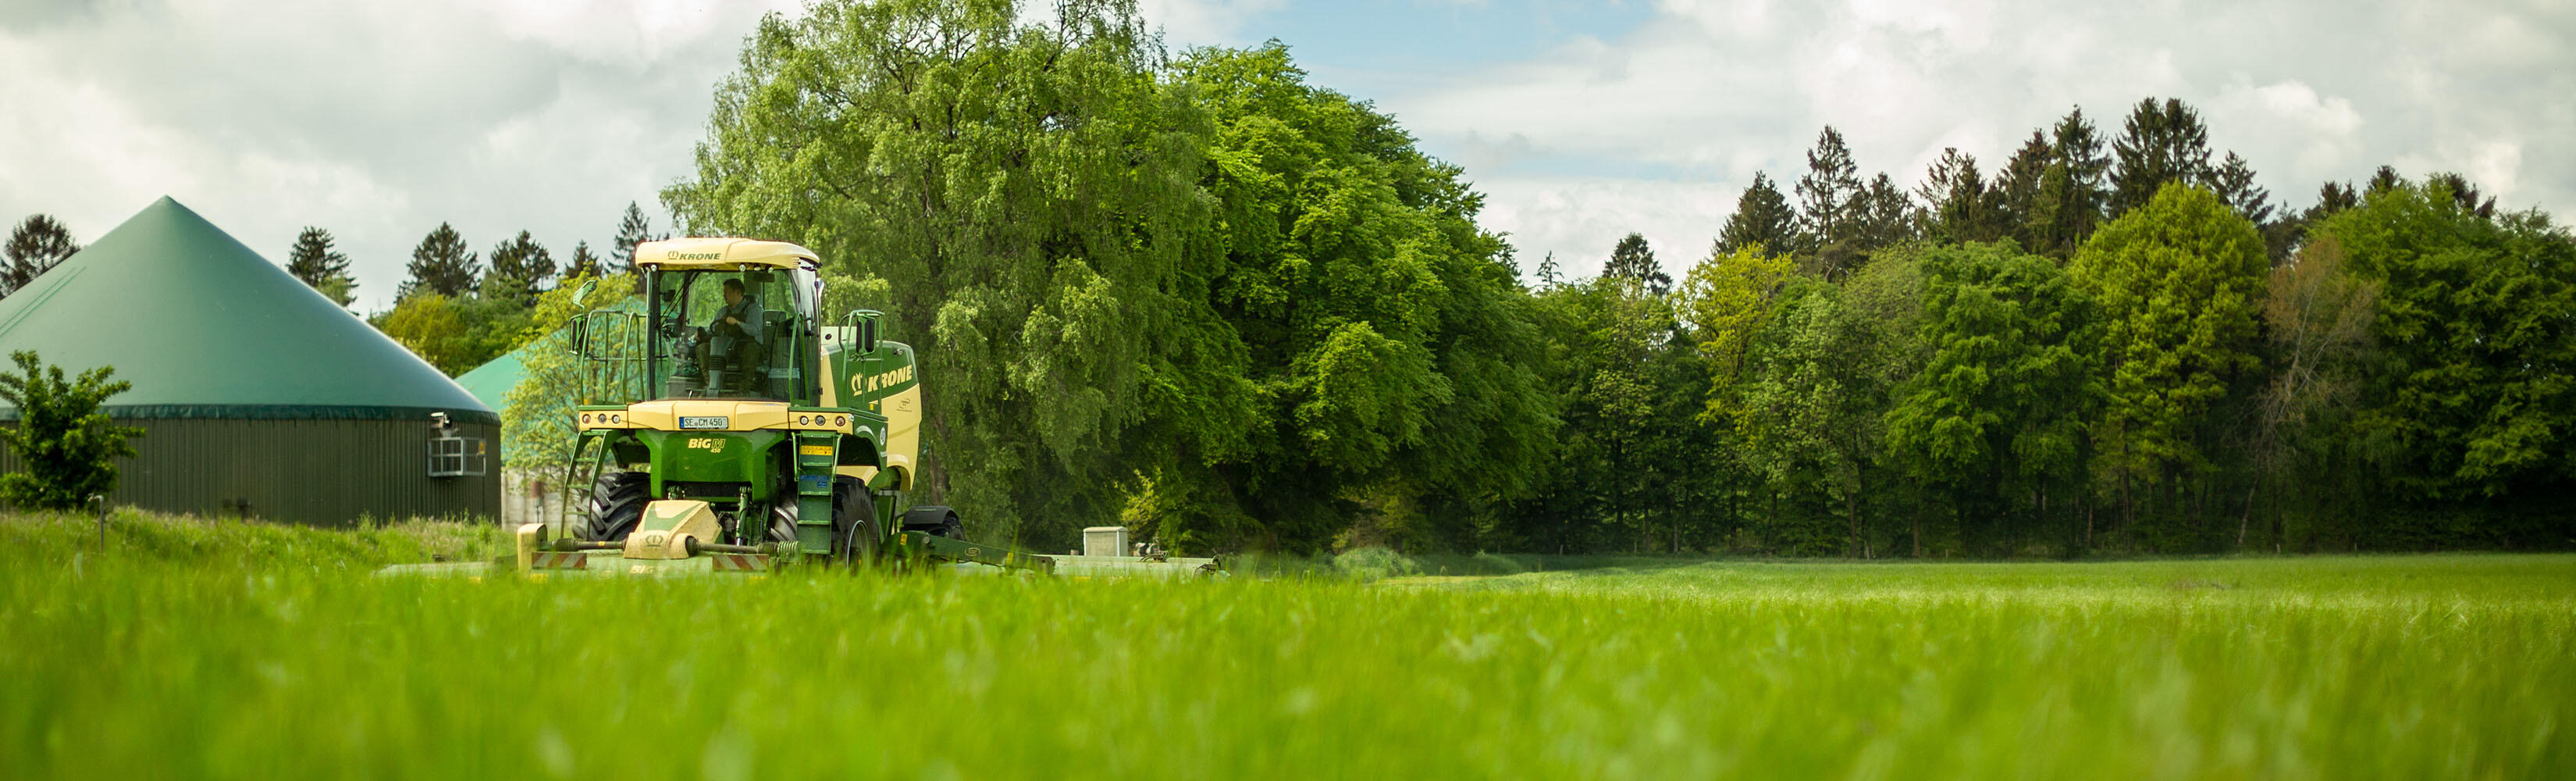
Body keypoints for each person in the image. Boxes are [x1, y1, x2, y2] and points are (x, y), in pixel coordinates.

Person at [699, 277, 764, 392]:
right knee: (702, 348)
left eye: (727, 293)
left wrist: (738, 323)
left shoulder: (753, 309)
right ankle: (711, 385)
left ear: (738, 293)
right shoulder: (723, 312)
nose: (724, 296)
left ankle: (743, 390)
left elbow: (754, 330)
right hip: (724, 348)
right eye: (724, 293)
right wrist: (700, 333)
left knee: (752, 349)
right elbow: (712, 329)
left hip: (743, 347)